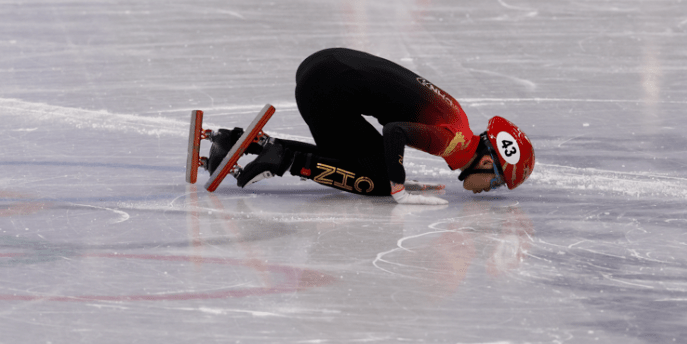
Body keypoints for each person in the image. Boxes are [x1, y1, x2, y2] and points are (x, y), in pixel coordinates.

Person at [207, 48, 535, 205]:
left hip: (325, 68)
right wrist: (398, 185)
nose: (489, 189)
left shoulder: (457, 124)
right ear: (488, 161)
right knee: (377, 180)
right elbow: (395, 131)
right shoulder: (455, 142)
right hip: (326, 86)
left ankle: (234, 141)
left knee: (357, 158)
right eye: (496, 182)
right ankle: (284, 160)